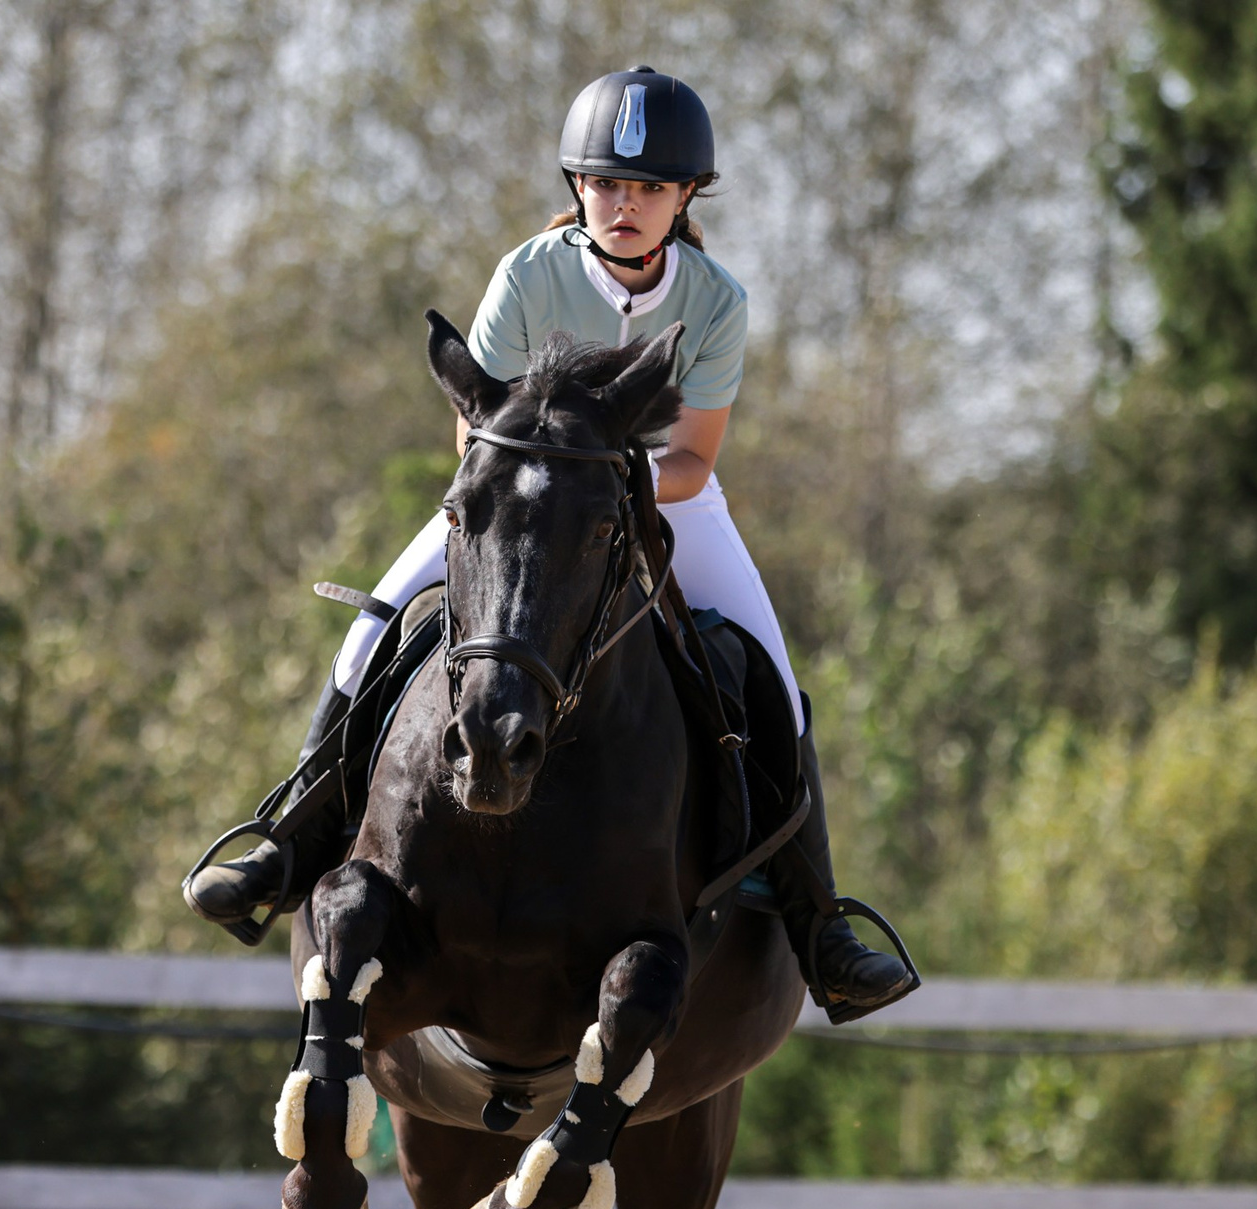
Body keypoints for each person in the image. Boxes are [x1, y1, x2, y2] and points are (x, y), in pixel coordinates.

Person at [185, 67, 917, 1022]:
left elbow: (694, 454)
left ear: (685, 196)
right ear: (579, 187)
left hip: (662, 495)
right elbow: (472, 430)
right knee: (372, 633)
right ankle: (286, 842)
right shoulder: (528, 273)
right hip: (518, 497)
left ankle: (822, 929)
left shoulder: (716, 298)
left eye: (650, 188)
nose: (626, 205)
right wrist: (554, 490)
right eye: (608, 184)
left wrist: (610, 489)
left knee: (772, 677)